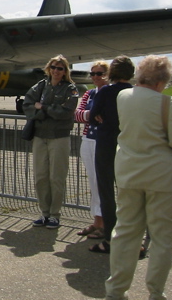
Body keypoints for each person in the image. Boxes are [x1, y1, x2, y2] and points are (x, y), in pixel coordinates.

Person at [105, 55, 172, 300]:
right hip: (161, 176)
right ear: (162, 80)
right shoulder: (168, 103)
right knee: (162, 236)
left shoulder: (123, 96)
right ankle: (155, 291)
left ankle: (116, 290)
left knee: (125, 231)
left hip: (129, 171)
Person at [23, 54, 79, 229]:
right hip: (40, 136)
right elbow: (28, 105)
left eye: (60, 68)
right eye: (53, 67)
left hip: (59, 137)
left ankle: (55, 215)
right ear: (49, 68)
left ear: (65, 71)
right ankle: (44, 213)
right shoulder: (40, 86)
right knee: (40, 177)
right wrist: (46, 112)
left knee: (57, 177)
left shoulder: (70, 89)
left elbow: (66, 112)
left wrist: (44, 108)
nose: (56, 71)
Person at [88, 55, 135, 254]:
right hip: (129, 146)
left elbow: (92, 116)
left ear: (111, 73)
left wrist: (98, 117)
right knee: (130, 192)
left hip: (107, 144)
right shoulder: (134, 92)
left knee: (107, 192)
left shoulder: (106, 91)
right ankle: (133, 237)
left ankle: (109, 237)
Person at [74, 60, 109, 238]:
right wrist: (93, 115)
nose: (96, 77)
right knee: (93, 182)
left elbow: (111, 116)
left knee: (104, 183)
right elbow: (77, 114)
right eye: (93, 73)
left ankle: (106, 223)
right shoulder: (89, 94)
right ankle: (97, 221)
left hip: (104, 141)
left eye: (100, 73)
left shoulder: (110, 93)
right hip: (88, 139)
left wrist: (90, 115)